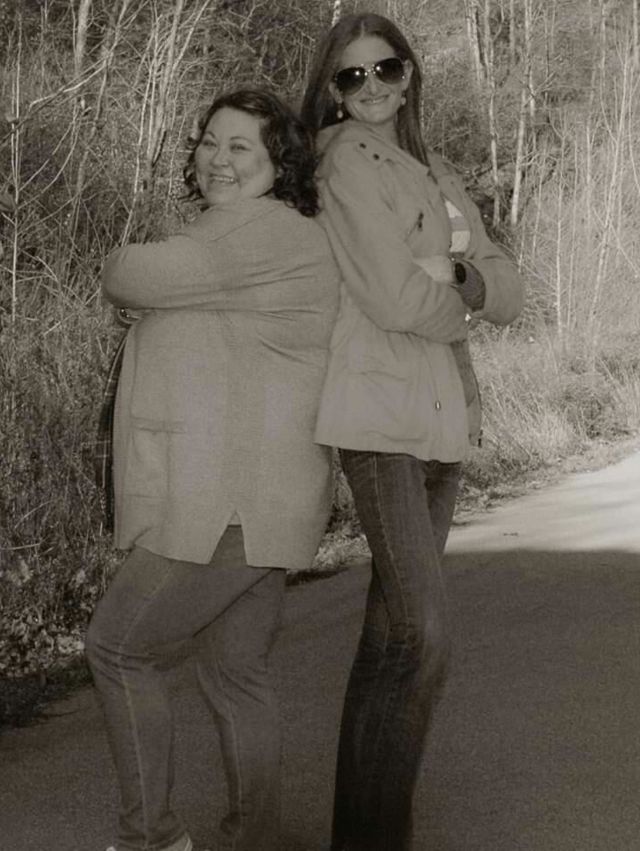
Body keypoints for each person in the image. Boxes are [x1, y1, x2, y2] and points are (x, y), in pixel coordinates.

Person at [85, 88, 339, 851]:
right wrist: (163, 303)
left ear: (279, 164)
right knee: (235, 674)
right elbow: (194, 301)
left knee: (118, 647)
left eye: (240, 147)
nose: (217, 160)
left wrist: (135, 283)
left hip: (226, 500)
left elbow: (132, 272)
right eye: (208, 142)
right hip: (262, 497)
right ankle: (255, 839)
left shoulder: (260, 231)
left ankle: (151, 838)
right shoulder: (263, 237)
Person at [301, 13, 524, 851]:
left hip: (444, 419)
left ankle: (364, 834)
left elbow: (512, 288)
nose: (372, 88)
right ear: (331, 90)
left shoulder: (436, 169)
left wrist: (459, 273)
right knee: (422, 634)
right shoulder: (342, 164)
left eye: (386, 68)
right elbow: (394, 299)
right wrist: (465, 304)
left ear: (409, 74)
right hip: (378, 419)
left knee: (391, 636)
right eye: (351, 75)